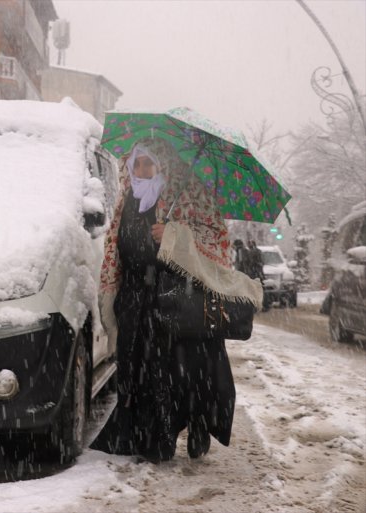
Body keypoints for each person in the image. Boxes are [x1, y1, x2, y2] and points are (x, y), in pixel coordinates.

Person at [90, 138, 263, 462]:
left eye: (149, 163)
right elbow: (114, 247)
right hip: (134, 298)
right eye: (138, 163)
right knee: (135, 370)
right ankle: (145, 437)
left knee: (179, 370)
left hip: (176, 297)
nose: (143, 169)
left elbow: (216, 243)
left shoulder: (189, 195)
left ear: (162, 164)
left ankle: (186, 427)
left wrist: (173, 234)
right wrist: (112, 293)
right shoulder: (127, 199)